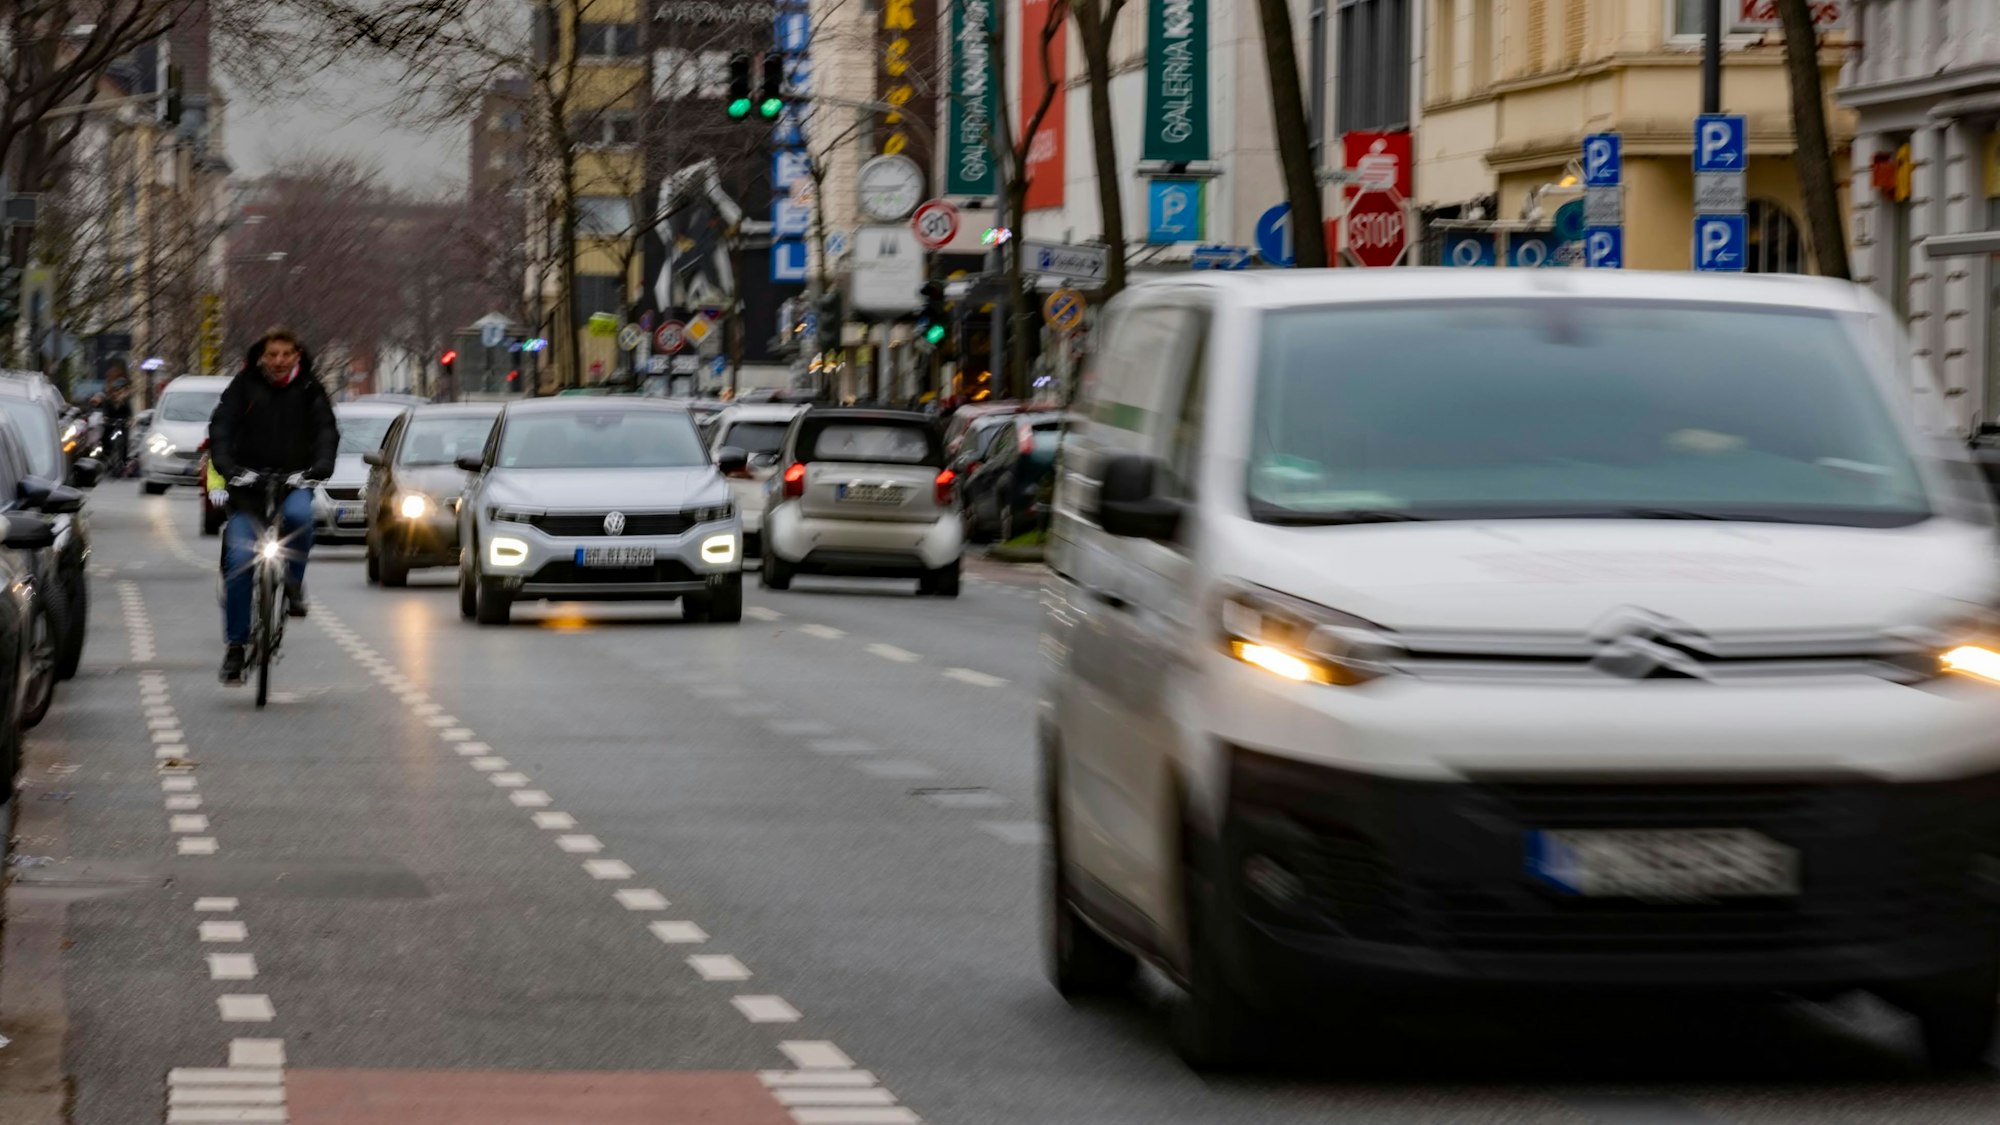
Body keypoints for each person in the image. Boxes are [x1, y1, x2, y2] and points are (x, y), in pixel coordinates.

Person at [207, 328, 338, 685]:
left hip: (293, 481)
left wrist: (321, 465)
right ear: (261, 356)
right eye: (272, 355)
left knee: (298, 517)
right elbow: (221, 426)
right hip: (247, 488)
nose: (279, 362)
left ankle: (294, 584)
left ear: (297, 355)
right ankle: (236, 647)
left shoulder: (310, 389)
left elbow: (326, 430)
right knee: (237, 564)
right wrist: (226, 466)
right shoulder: (243, 386)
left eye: (286, 354)